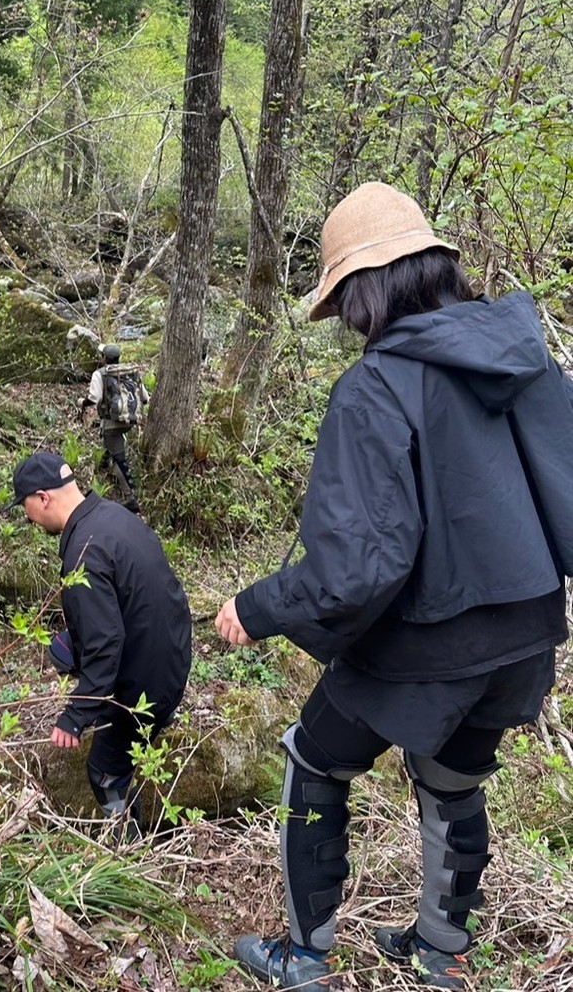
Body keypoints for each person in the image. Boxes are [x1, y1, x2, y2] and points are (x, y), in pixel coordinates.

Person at [215, 181, 573, 991]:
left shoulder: (374, 389)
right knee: (451, 777)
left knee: (315, 759)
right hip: (526, 634)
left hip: (427, 644)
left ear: (361, 291)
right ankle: (440, 950)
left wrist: (256, 607)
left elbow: (357, 570)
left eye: (342, 299)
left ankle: (303, 958)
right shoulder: (523, 360)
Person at [10, 451, 192, 833]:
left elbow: (107, 643)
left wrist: (76, 716)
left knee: (103, 769)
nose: (27, 518)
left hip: (149, 681)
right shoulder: (113, 516)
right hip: (170, 650)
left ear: (43, 498)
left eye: (26, 506)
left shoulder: (83, 554)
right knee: (59, 648)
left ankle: (131, 843)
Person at [78, 343, 148, 513]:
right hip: (129, 420)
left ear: (104, 358)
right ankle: (103, 463)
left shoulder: (100, 374)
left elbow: (94, 399)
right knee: (112, 445)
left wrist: (81, 402)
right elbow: (144, 398)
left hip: (112, 423)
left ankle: (131, 497)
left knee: (120, 460)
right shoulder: (129, 372)